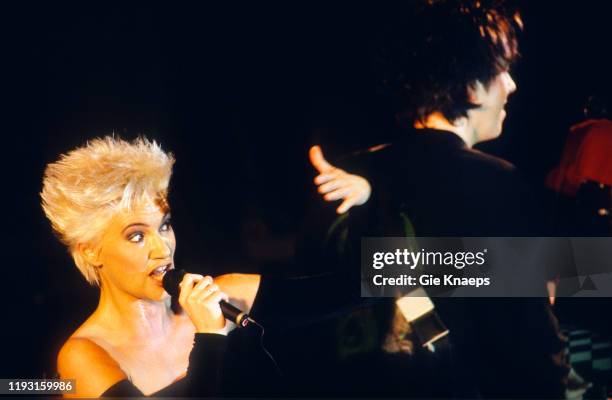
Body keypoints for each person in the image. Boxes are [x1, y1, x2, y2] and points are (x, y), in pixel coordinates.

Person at [310, 1, 569, 397]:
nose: (511, 85)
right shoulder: (494, 181)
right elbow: (530, 341)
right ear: (468, 84)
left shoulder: (345, 173)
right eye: (502, 70)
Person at [41, 136, 369, 397]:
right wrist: (209, 339)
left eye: (165, 225)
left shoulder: (225, 296)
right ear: (91, 250)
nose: (163, 247)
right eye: (137, 236)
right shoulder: (83, 357)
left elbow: (367, 286)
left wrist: (367, 201)